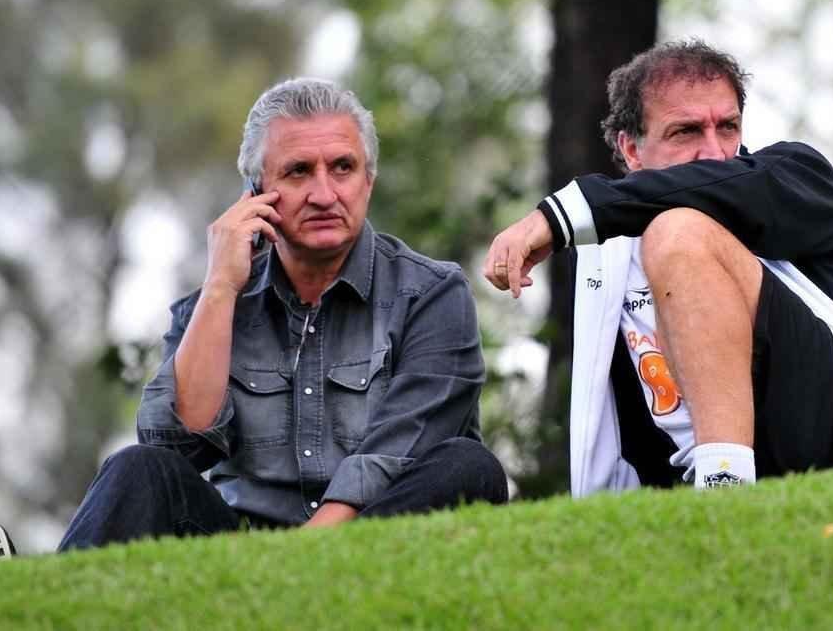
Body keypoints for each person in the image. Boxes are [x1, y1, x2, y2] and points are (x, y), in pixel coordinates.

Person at [61, 78, 507, 550]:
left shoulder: (432, 294)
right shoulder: (215, 304)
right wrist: (219, 288)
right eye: (298, 172)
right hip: (241, 552)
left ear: (368, 182)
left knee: (468, 467)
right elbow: (173, 449)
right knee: (137, 467)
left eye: (342, 168)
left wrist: (293, 565)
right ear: (255, 192)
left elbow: (394, 455)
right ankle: (36, 607)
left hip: (377, 549)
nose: (323, 193)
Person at [484, 39, 833, 497]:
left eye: (728, 127)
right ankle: (715, 491)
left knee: (677, 232)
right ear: (632, 149)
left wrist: (560, 215)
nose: (715, 152)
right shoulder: (607, 264)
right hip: (696, 486)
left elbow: (718, 187)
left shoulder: (795, 177)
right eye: (687, 132)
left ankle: (725, 486)